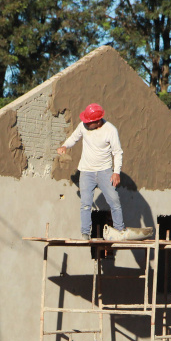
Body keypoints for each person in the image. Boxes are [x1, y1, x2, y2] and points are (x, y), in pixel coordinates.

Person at [56, 103, 126, 240]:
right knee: (85, 204)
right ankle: (85, 233)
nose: (86, 124)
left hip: (105, 172)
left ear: (98, 121)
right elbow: (74, 137)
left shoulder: (110, 130)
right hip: (86, 172)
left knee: (114, 201)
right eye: (86, 121)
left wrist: (116, 172)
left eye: (89, 122)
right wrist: (65, 145)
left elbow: (117, 152)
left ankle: (119, 230)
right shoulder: (83, 125)